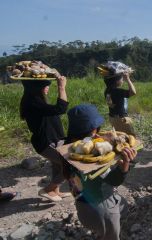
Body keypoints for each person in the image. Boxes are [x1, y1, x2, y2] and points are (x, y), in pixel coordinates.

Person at [64, 104, 137, 240]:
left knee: (122, 206)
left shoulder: (69, 151)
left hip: (82, 207)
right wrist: (125, 164)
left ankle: (101, 233)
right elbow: (115, 181)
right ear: (94, 129)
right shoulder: (95, 157)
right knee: (110, 235)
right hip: (103, 213)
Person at [20, 76, 70, 202]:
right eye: (44, 85)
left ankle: (55, 191)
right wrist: (61, 87)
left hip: (54, 140)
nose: (47, 87)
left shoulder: (37, 101)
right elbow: (61, 108)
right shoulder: (33, 103)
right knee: (69, 165)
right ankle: (48, 189)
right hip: (45, 143)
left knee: (57, 166)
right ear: (35, 88)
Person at [104, 69, 136, 135]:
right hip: (121, 119)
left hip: (112, 118)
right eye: (122, 79)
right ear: (116, 81)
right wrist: (128, 79)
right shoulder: (117, 91)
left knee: (119, 135)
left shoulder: (107, 91)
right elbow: (133, 92)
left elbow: (110, 104)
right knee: (129, 136)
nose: (122, 81)